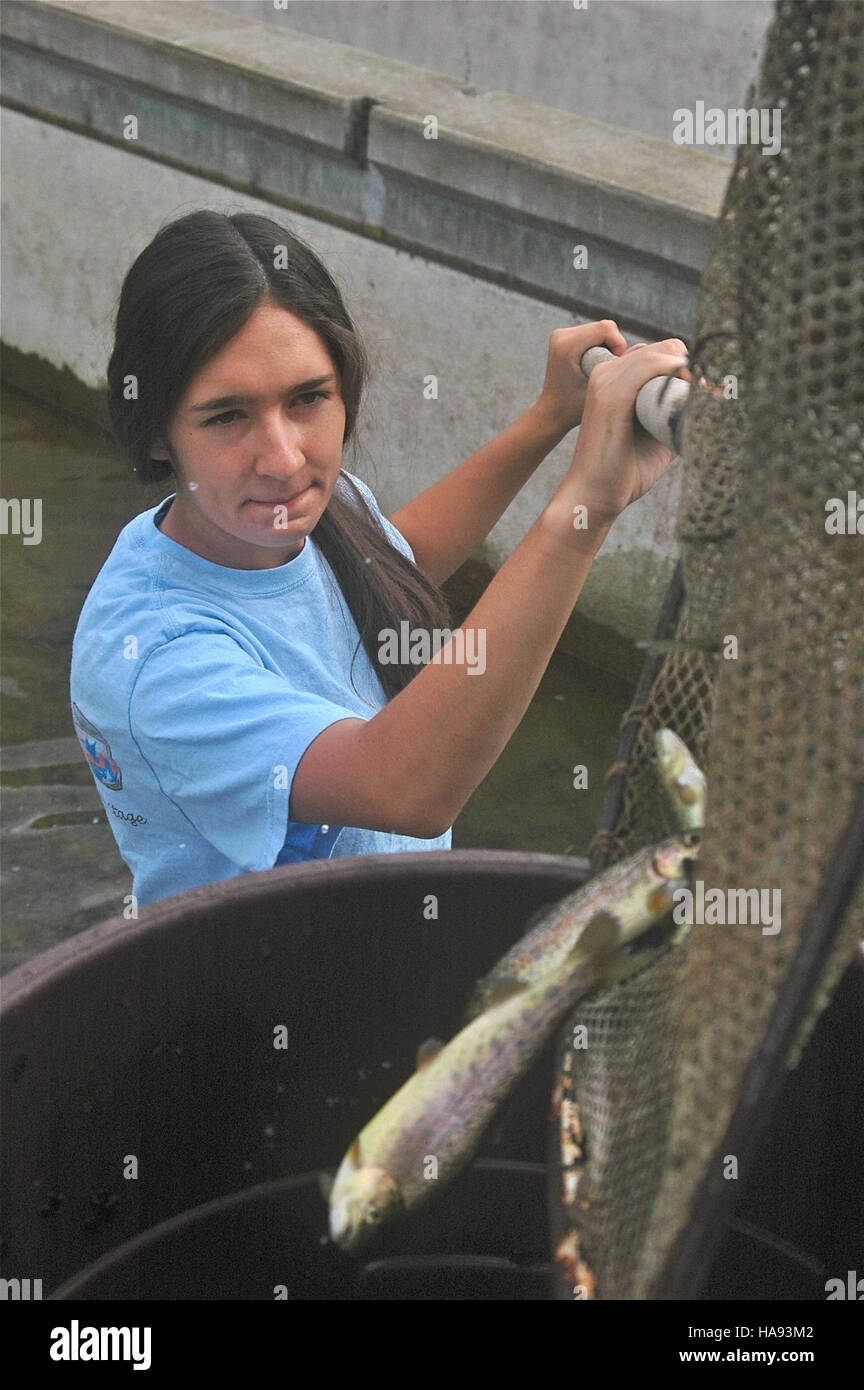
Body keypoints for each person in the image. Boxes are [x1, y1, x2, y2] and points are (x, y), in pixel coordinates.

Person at [70, 209, 688, 908]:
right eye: (226, 416)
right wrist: (587, 507)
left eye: (308, 398)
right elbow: (407, 787)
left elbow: (392, 559)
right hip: (270, 998)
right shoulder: (155, 659)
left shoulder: (290, 517)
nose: (283, 458)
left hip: (388, 942)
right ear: (155, 431)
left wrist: (550, 416)